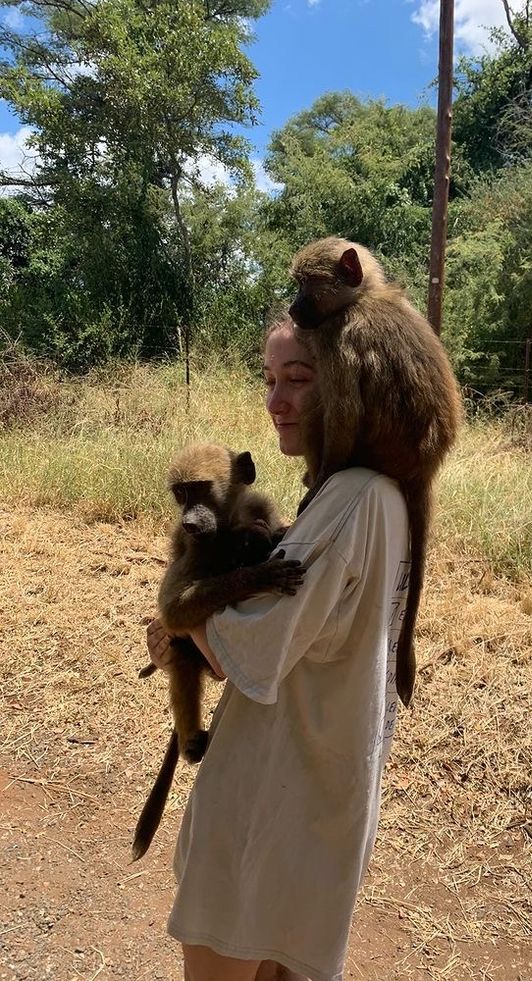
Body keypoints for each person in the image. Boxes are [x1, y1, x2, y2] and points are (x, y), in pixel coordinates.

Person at [146, 315, 410, 981]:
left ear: (349, 382)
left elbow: (255, 649)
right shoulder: (375, 494)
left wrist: (179, 629)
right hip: (317, 814)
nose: (276, 401)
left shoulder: (347, 500)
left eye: (299, 378)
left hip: (261, 813)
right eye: (268, 381)